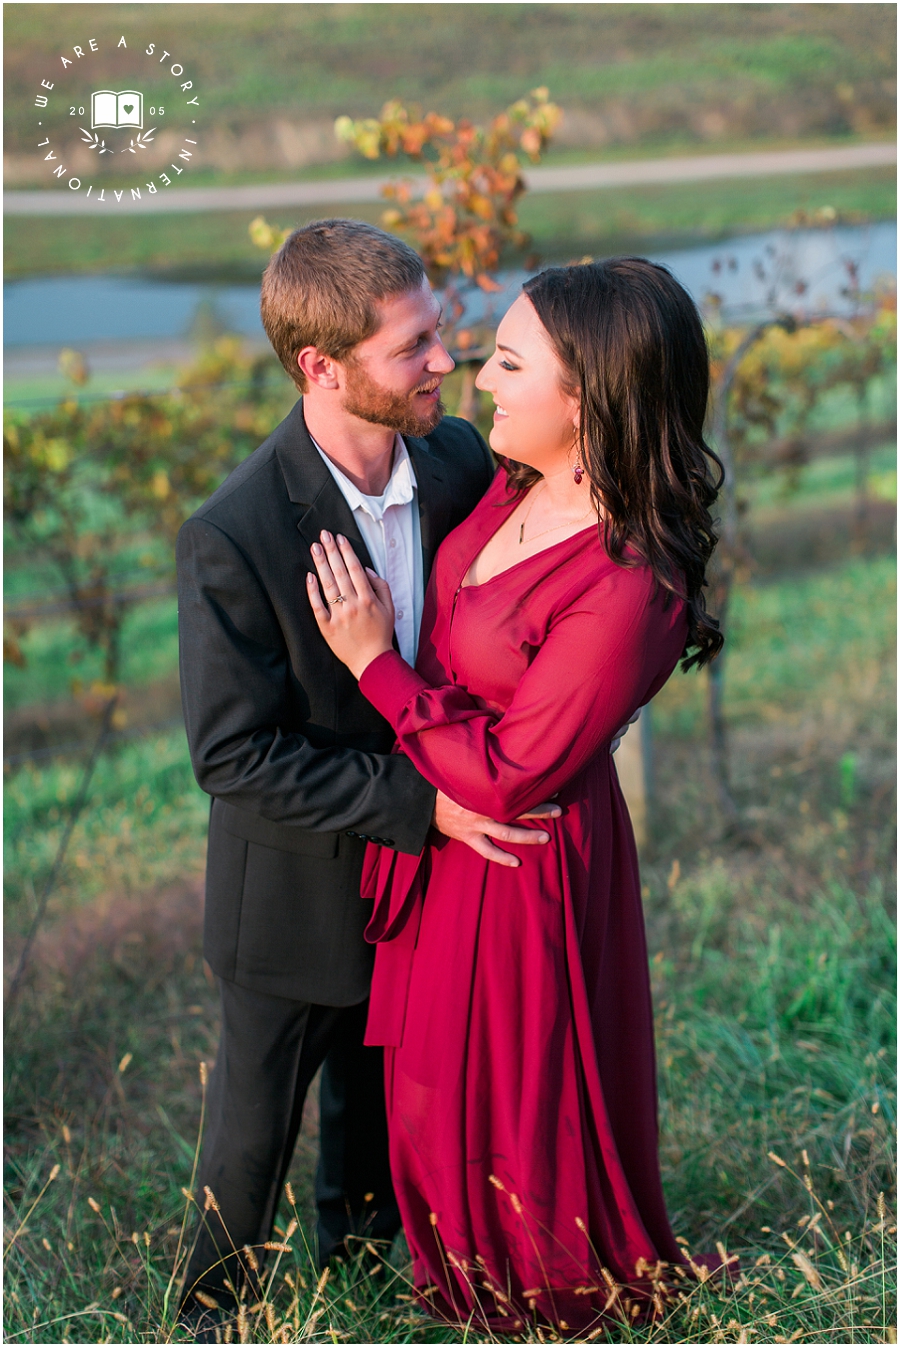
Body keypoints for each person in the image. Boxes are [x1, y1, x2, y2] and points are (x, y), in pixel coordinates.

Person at [306, 257, 725, 1334]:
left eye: (506, 361)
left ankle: (532, 1286)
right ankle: (452, 1268)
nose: (479, 380)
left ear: (587, 395)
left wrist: (373, 666)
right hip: (447, 838)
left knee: (511, 1091)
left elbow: (509, 772)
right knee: (432, 1086)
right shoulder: (512, 486)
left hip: (521, 853)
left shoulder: (632, 583)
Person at [175, 219, 563, 1333]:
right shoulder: (236, 533)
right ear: (320, 366)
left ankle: (368, 1271)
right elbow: (231, 753)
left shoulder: (452, 461)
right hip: (294, 898)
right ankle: (211, 1309)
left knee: (384, 1102)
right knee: (253, 1133)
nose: (446, 360)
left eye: (439, 332)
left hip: (431, 888)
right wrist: (421, 805)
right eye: (413, 347)